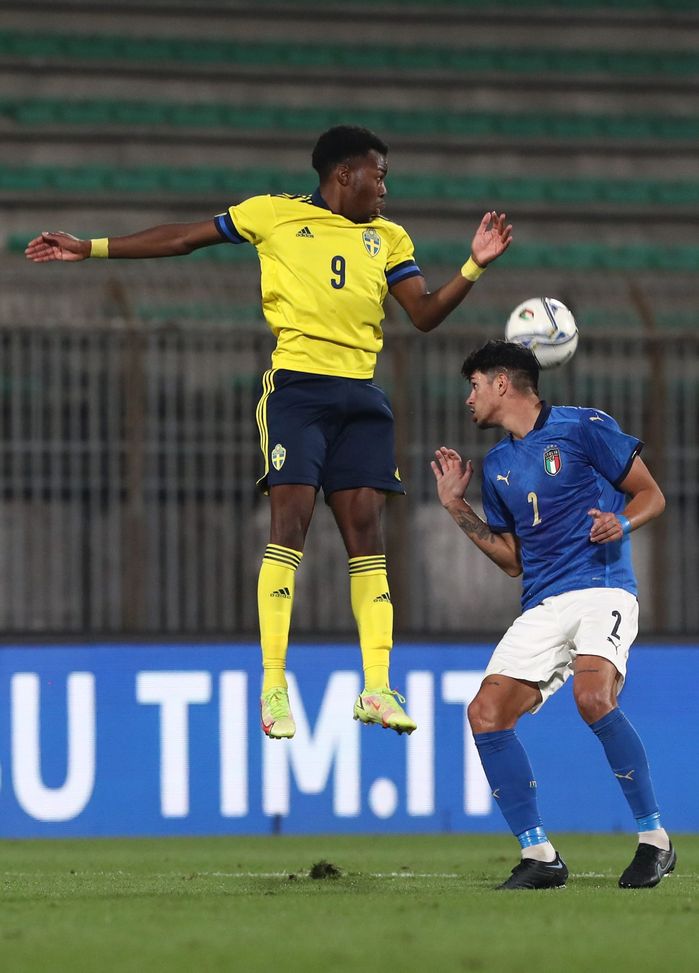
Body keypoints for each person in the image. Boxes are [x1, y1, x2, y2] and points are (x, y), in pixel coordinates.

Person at [25, 125, 512, 741]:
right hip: (298, 393)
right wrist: (90, 247)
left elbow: (423, 314)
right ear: (343, 175)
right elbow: (181, 238)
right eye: (378, 174)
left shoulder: (388, 238)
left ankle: (378, 687)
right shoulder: (273, 216)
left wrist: (473, 265)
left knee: (367, 533)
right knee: (292, 523)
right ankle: (275, 685)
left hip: (361, 395)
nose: (385, 187)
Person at [431, 338, 674, 890]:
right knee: (485, 714)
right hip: (542, 600)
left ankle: (654, 841)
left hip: (602, 588)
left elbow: (651, 494)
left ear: (501, 383)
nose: (468, 400)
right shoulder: (496, 465)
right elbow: (513, 561)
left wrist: (623, 523)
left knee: (593, 699)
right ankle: (540, 856)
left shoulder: (585, 426)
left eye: (473, 386)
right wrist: (455, 506)